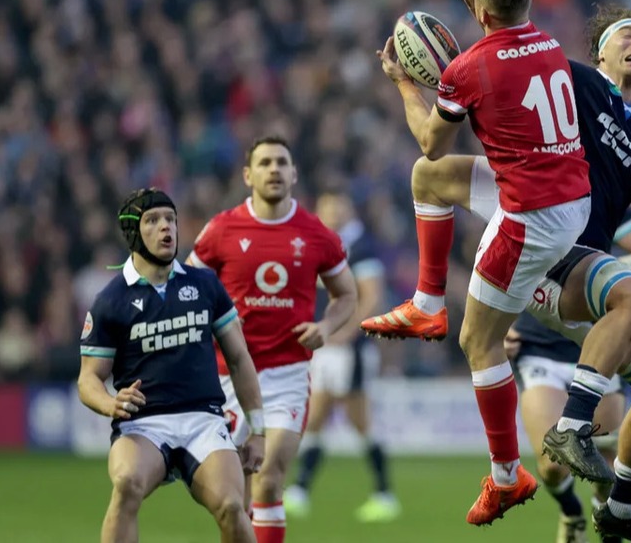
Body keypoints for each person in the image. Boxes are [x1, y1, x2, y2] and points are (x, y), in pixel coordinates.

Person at [364, 0, 631, 542]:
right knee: (432, 176)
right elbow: (507, 38)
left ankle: (621, 509)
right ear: (599, 53)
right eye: (625, 35)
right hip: (548, 256)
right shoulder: (576, 80)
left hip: (580, 262)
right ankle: (563, 438)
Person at [371, 0, 593, 525]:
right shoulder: (545, 42)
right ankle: (427, 303)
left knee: (478, 342)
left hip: (532, 218)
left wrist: (403, 83)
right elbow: (500, 29)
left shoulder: (466, 70)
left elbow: (430, 141)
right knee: (430, 182)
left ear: (483, 12)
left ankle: (506, 477)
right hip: (568, 192)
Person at [186, 137, 358, 543]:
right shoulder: (221, 229)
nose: (274, 169)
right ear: (248, 175)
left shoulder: (316, 234)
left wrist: (325, 328)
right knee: (234, 497)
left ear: (294, 174)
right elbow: (188, 290)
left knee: (268, 478)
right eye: (264, 163)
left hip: (287, 376)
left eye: (282, 162)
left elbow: (347, 295)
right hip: (227, 376)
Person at [78, 188, 265, 543]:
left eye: (170, 219)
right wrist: (110, 403)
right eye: (153, 220)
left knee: (231, 505)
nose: (166, 227)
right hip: (143, 425)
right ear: (133, 234)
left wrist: (258, 430)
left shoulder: (205, 284)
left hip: (204, 420)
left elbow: (240, 360)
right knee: (127, 484)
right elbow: (88, 379)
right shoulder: (110, 301)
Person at [506, 212, 631, 543]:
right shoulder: (534, 200)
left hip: (599, 349)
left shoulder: (605, 201)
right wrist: (496, 324)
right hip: (539, 348)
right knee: (553, 465)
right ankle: (571, 512)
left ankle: (607, 527)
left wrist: (601, 276)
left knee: (605, 471)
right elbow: (497, 263)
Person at [283, 189, 400, 522]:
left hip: (349, 349)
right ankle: (301, 490)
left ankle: (383, 494)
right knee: (318, 416)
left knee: (357, 420)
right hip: (325, 345)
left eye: (337, 205)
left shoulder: (360, 246)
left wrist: (346, 334)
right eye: (326, 206)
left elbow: (372, 296)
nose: (332, 212)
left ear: (348, 208)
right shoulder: (318, 243)